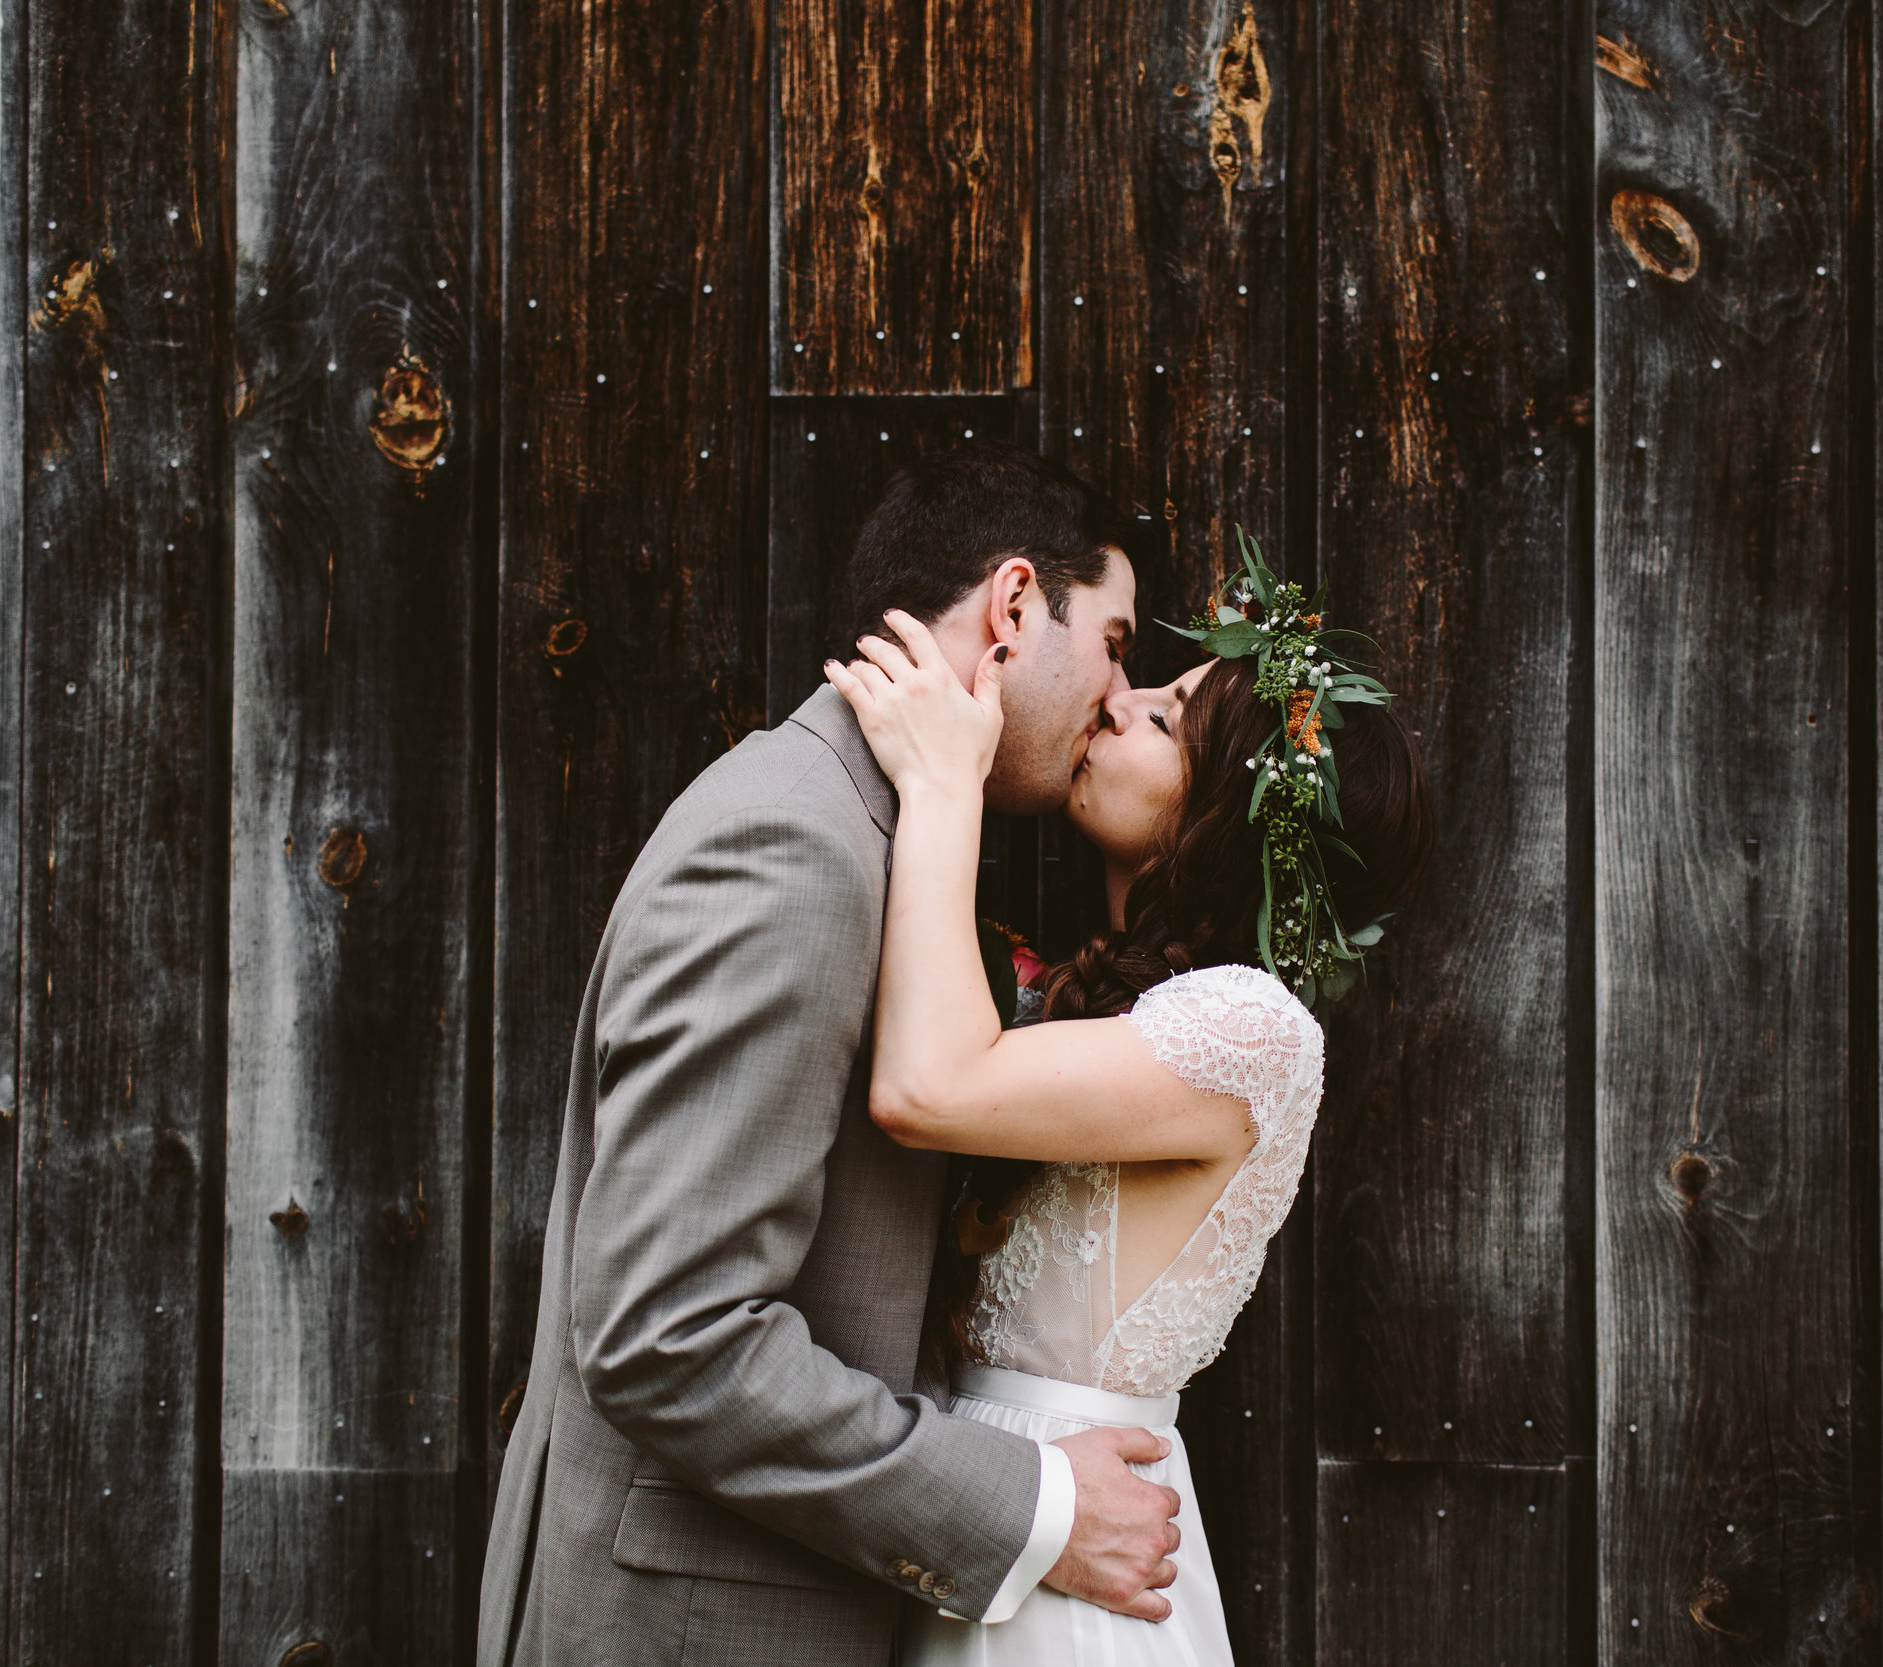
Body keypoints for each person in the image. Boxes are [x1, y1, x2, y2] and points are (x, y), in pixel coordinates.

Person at [476, 442, 1191, 1667]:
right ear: (1014, 608)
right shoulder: (795, 845)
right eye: (1117, 646)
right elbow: (669, 1334)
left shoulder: (871, 830)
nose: (1115, 700)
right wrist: (1029, 1505)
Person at [823, 542, 1431, 1666]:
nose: (1118, 698)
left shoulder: (1250, 1031)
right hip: (981, 1517)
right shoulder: (1099, 1005)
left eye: (1165, 718)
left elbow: (926, 1087)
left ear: (1230, 820)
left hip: (1073, 1580)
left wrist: (945, 779)